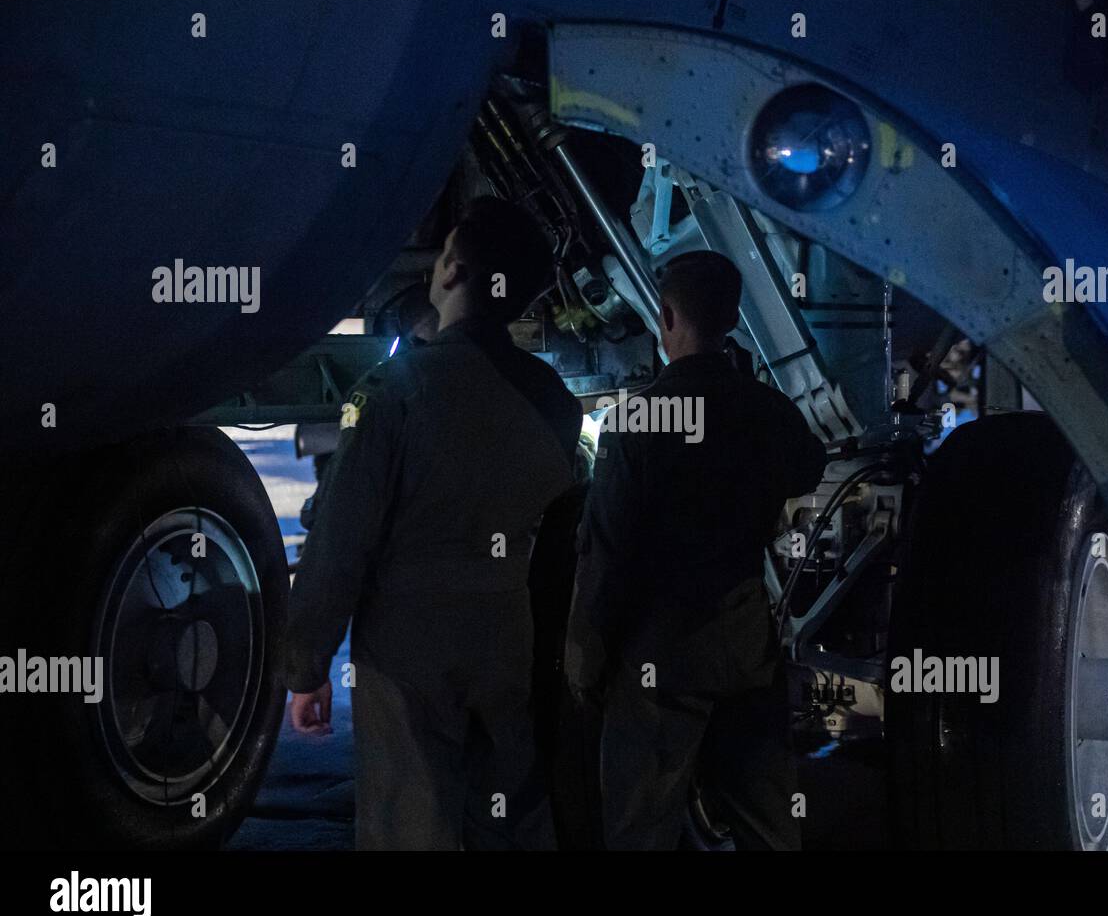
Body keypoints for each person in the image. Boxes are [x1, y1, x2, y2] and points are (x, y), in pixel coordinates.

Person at [283, 195, 582, 850]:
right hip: (507, 631)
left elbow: (341, 540)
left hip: (407, 641)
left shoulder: (395, 390)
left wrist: (305, 667)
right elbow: (565, 542)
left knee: (409, 819)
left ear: (448, 270)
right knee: (506, 817)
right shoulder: (556, 403)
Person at [565, 250, 827, 850]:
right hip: (743, 646)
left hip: (659, 654)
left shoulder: (638, 420)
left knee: (640, 828)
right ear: (733, 318)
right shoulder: (764, 409)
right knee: (769, 826)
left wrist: (585, 658)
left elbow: (604, 553)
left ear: (665, 317)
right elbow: (809, 468)